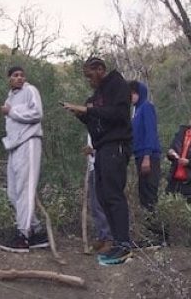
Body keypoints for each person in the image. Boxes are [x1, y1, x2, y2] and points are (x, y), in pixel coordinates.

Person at [63, 57, 132, 265]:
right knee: (102, 196)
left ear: (100, 69)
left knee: (113, 194)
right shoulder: (96, 94)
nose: (89, 80)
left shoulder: (117, 84)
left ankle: (124, 245)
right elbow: (95, 118)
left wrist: (88, 110)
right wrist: (80, 114)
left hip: (116, 145)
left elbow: (119, 114)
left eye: (90, 75)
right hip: (101, 148)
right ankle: (116, 243)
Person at [0, 66, 49, 253]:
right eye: (15, 75)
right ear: (9, 79)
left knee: (25, 189)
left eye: (21, 75)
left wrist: (11, 112)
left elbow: (37, 114)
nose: (19, 78)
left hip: (29, 143)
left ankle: (23, 236)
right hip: (14, 146)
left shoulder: (30, 90)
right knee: (13, 193)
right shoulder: (9, 98)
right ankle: (37, 232)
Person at [129, 80, 161, 212]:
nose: (129, 98)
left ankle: (159, 230)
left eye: (131, 94)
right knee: (143, 194)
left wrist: (147, 156)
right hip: (139, 156)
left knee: (150, 195)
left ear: (137, 93)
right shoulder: (136, 111)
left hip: (149, 157)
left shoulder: (146, 107)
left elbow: (150, 132)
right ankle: (150, 229)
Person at [83, 134, 113, 254]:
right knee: (95, 204)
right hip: (92, 166)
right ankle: (102, 235)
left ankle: (109, 238)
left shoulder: (102, 122)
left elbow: (107, 146)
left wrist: (94, 151)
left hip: (102, 165)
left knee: (102, 203)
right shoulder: (91, 126)